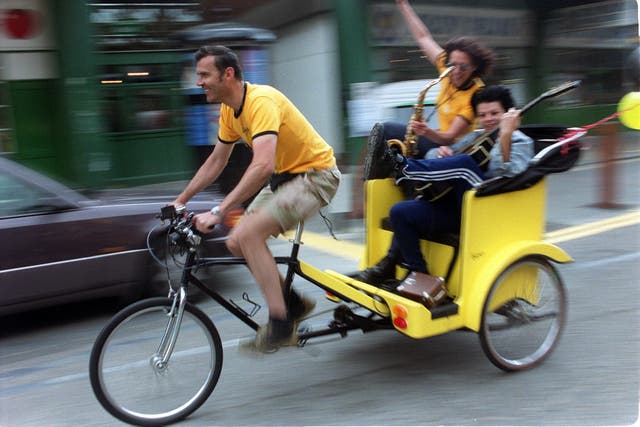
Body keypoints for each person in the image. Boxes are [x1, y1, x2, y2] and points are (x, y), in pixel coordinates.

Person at [172, 45, 341, 352]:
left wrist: (219, 211)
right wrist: (180, 199)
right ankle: (291, 302)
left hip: (316, 176)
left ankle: (280, 324)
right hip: (285, 179)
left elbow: (262, 166)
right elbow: (216, 161)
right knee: (236, 241)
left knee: (248, 233)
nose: (199, 82)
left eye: (204, 75)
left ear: (228, 74)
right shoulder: (227, 109)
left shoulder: (260, 101)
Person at [357, 85, 534, 286]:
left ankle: (405, 168)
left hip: (488, 209)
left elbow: (510, 177)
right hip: (457, 208)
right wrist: (441, 153)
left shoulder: (521, 141)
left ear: (508, 114)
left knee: (465, 165)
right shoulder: (476, 136)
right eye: (483, 115)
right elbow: (435, 156)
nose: (488, 119)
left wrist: (505, 136)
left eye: (495, 113)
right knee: (400, 211)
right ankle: (419, 274)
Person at [369, 0, 496, 164]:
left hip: (454, 148)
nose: (455, 71)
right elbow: (423, 37)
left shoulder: (476, 94)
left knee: (392, 132)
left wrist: (426, 131)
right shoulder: (448, 67)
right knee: (384, 130)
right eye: (452, 65)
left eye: (463, 67)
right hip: (436, 138)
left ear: (475, 67)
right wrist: (403, 5)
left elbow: (450, 137)